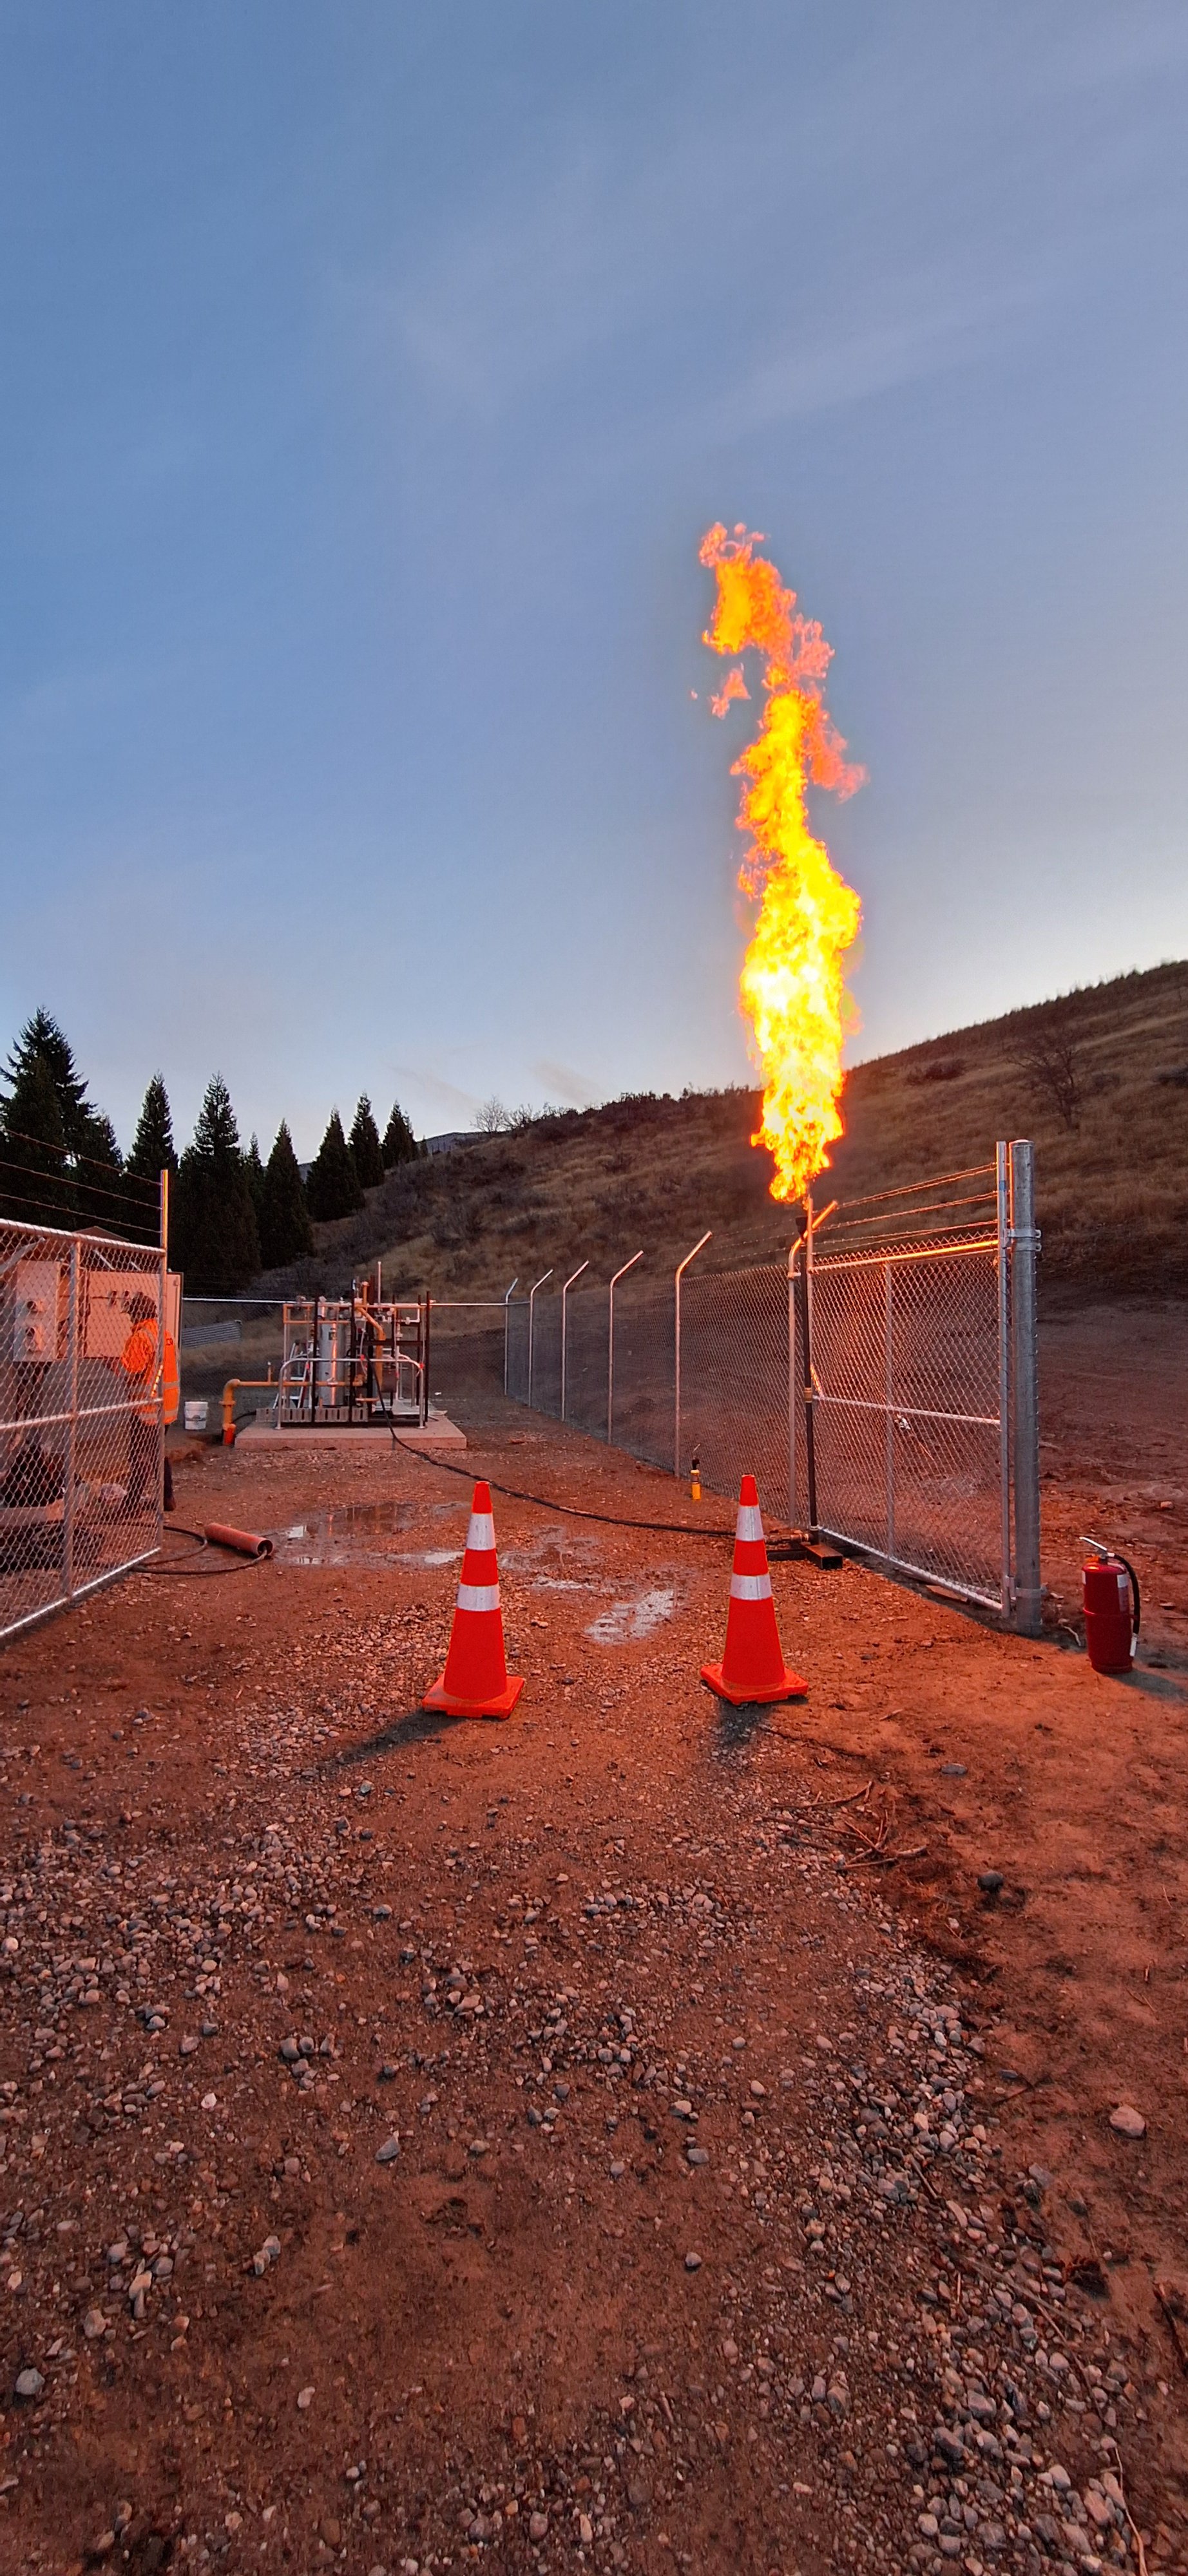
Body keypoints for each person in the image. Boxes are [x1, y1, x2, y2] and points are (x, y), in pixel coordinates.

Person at [120, 1292, 179, 1515]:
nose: (130, 1319)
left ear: (136, 1313)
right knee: (158, 1452)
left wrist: (111, 1364)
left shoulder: (141, 1337)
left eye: (131, 1314)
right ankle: (167, 1498)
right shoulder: (164, 1334)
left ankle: (131, 1505)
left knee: (139, 1455)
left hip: (146, 1409)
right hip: (165, 1407)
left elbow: (129, 1369)